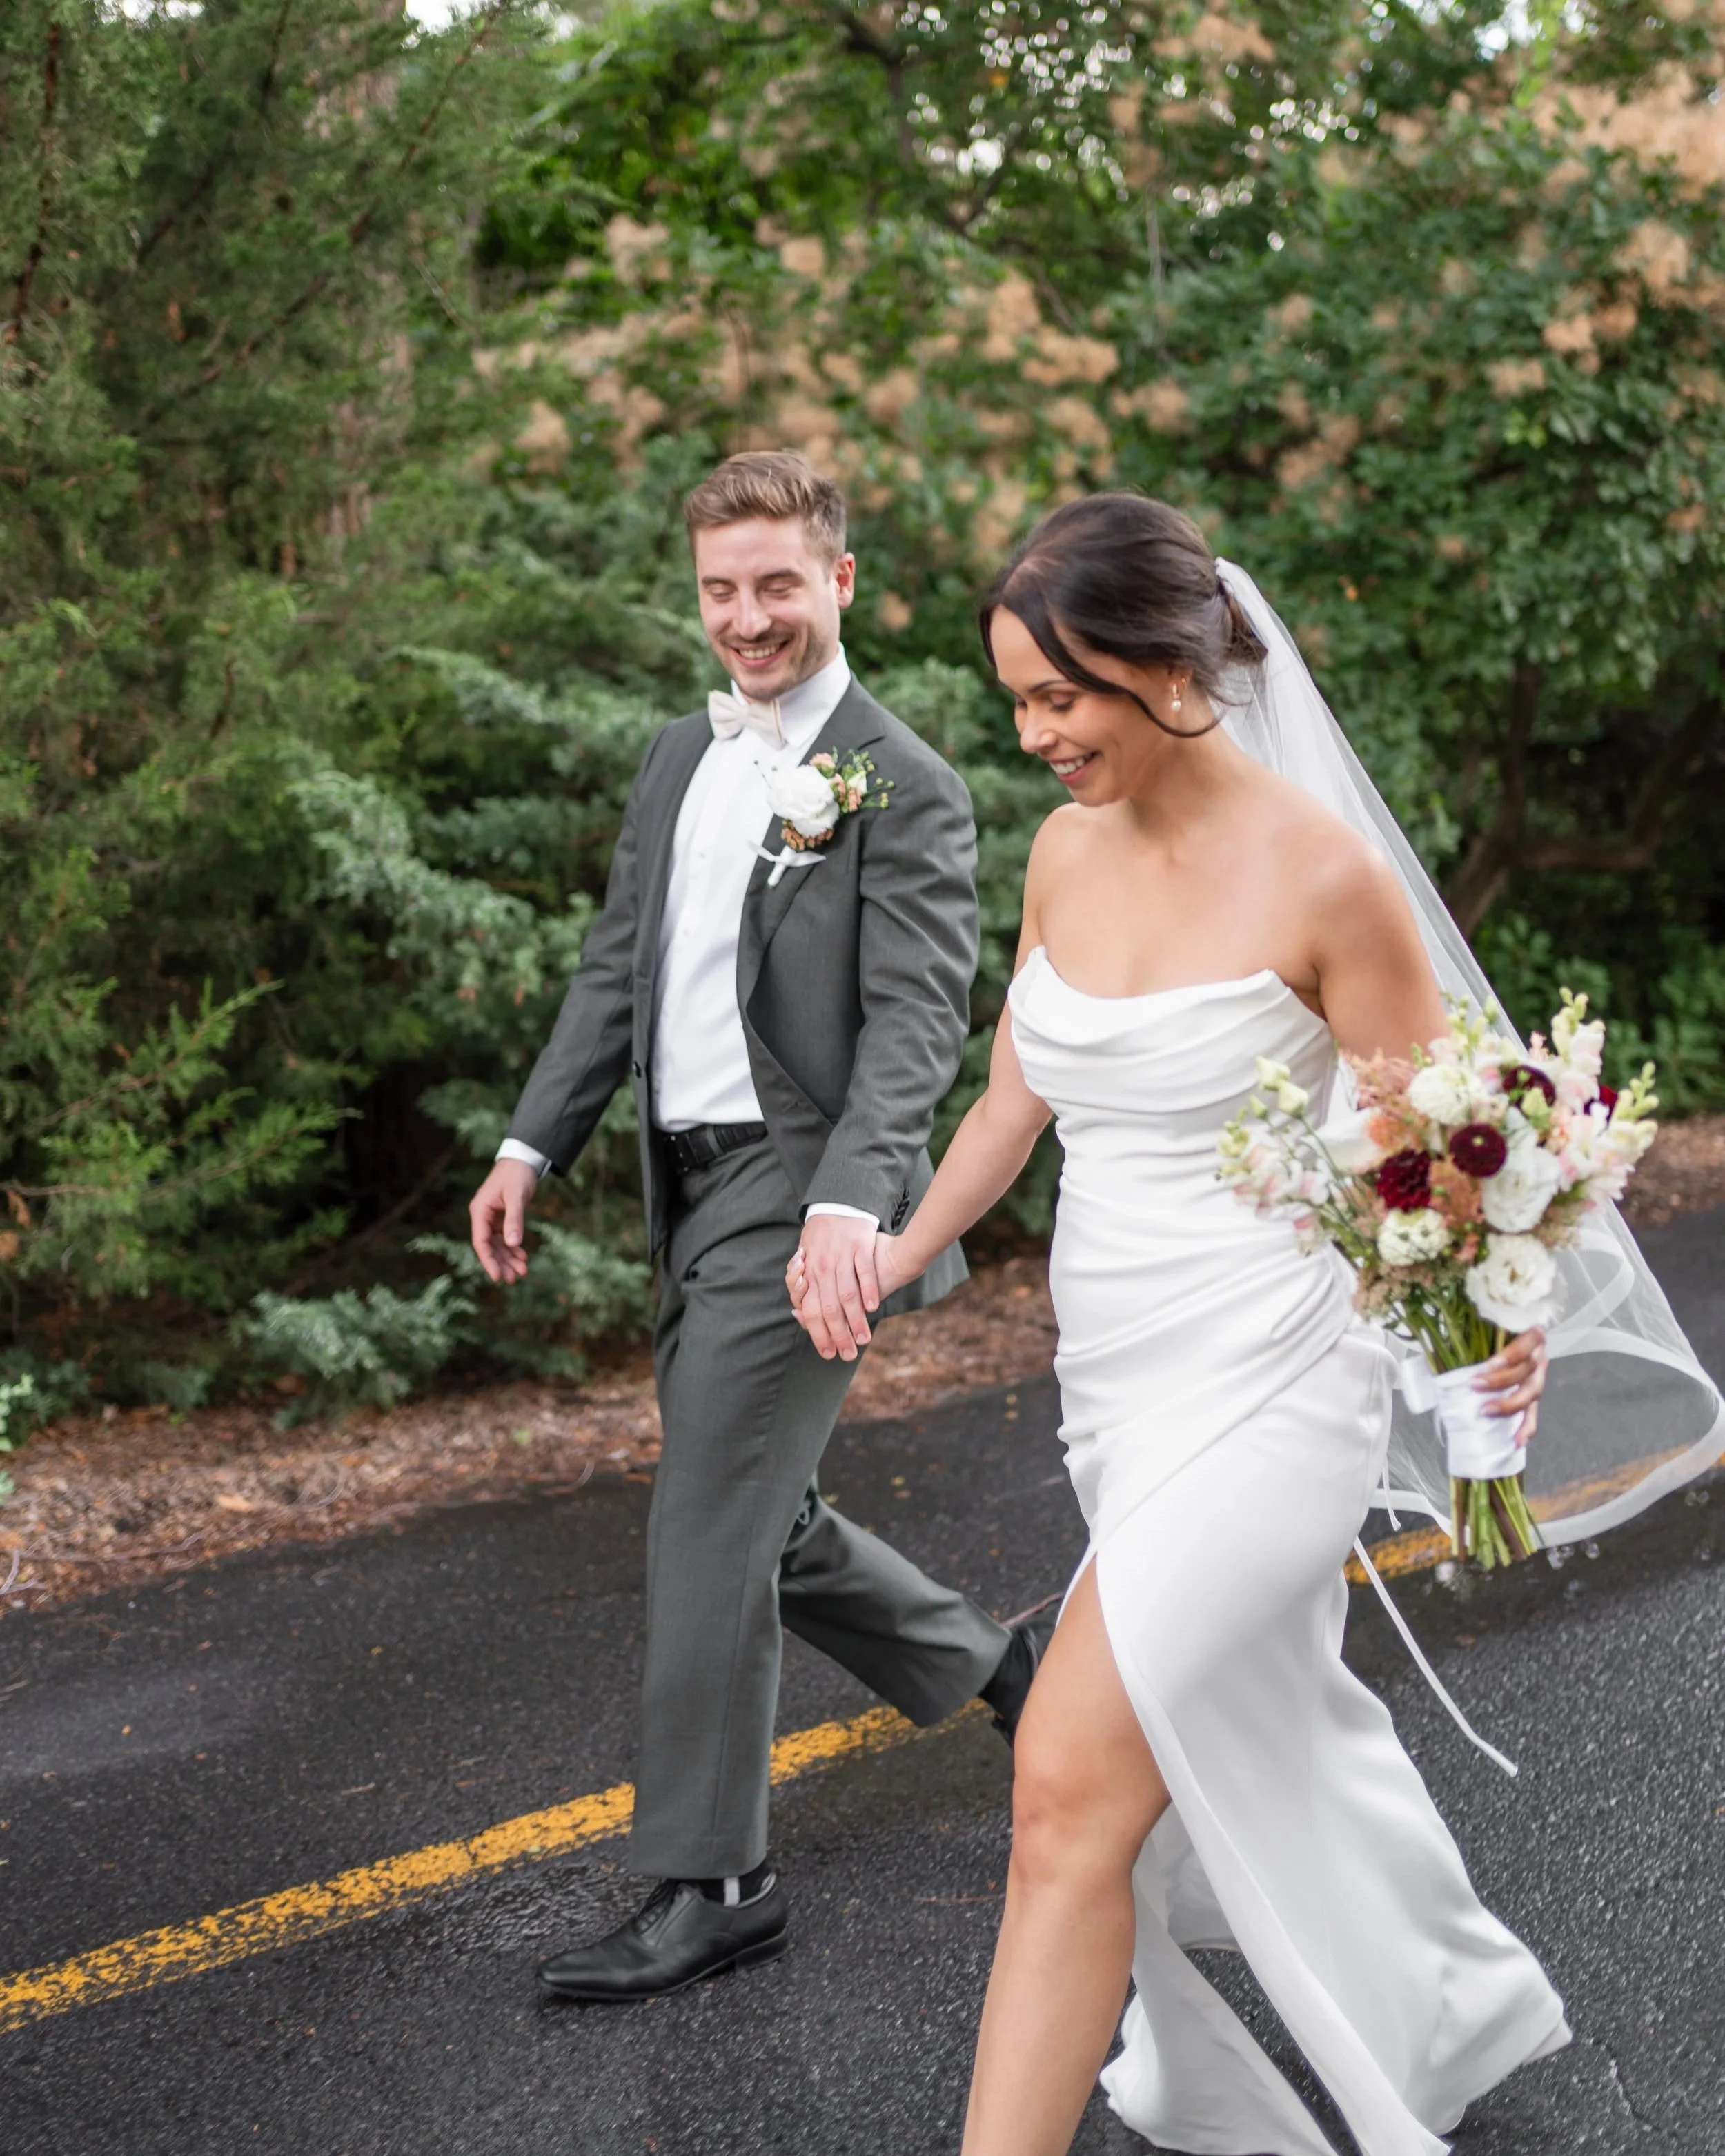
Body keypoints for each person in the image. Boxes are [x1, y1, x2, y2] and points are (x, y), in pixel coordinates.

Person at [790, 493, 1572, 2155]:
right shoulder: (1066, 850)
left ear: (1167, 666)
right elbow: (1013, 1094)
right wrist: (893, 1242)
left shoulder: (1323, 877)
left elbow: (1425, 1160)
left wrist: (1492, 1344)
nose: (1033, 736)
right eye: (1014, 699)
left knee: (1063, 1783)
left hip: (1273, 1381)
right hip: (1118, 1389)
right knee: (1243, 1727)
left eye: (1059, 695)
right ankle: (1440, 1999)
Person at [467, 450, 1052, 2006]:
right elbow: (617, 969)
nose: (746, 617)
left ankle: (713, 1878)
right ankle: (998, 1668)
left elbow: (918, 1017)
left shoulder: (899, 779)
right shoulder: (676, 758)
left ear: (839, 581)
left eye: (776, 584)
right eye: (721, 588)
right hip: (684, 1184)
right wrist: (535, 1137)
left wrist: (855, 1203)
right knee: (762, 1514)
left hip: (802, 1198)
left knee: (707, 1521)